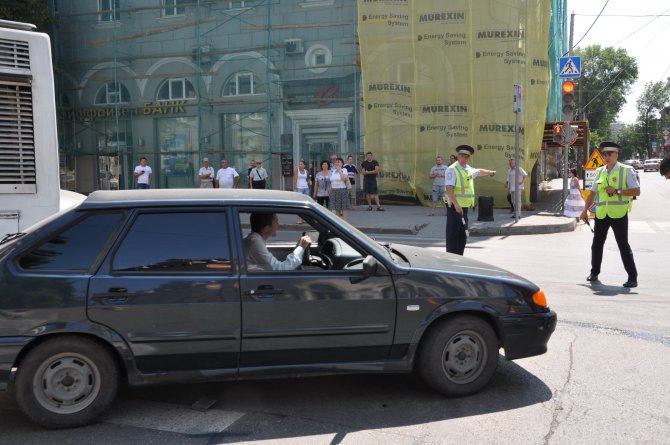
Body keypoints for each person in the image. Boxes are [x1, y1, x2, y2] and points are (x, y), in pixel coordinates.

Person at [580, 141, 640, 288]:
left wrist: (617, 191)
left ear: (616, 154)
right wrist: (584, 210)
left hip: (618, 214)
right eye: (605, 154)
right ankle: (594, 272)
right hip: (602, 214)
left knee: (623, 245)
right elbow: (593, 193)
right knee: (596, 245)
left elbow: (636, 191)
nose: (606, 156)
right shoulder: (600, 171)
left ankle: (632, 277)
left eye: (610, 154)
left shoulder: (627, 170)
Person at [445, 144, 496, 255]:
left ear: (469, 158)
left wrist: (490, 172)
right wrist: (456, 205)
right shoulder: (452, 170)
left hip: (465, 208)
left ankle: (459, 255)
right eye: (462, 156)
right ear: (458, 157)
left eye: (466, 157)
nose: (464, 159)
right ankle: (452, 257)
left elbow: (479, 171)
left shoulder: (467, 169)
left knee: (463, 233)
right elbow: (449, 189)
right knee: (453, 234)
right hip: (455, 207)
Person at [243, 212, 311, 271]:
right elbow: (280, 269)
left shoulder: (253, 239)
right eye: (276, 221)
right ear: (266, 228)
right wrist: (301, 247)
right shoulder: (255, 242)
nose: (278, 224)